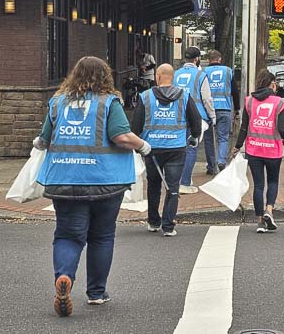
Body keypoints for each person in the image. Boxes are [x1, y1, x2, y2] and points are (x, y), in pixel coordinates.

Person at [33, 56, 152, 317]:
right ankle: (96, 293)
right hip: (105, 181)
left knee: (67, 235)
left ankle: (64, 277)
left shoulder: (56, 102)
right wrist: (143, 146)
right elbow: (121, 136)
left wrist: (41, 143)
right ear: (104, 76)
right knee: (101, 236)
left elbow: (42, 141)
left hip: (63, 179)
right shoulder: (108, 102)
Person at [131, 64, 202, 237]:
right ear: (173, 77)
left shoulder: (145, 97)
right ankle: (168, 225)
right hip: (176, 148)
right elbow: (196, 121)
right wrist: (193, 136)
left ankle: (153, 221)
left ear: (158, 76)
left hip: (152, 149)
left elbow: (136, 125)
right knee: (173, 187)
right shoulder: (184, 96)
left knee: (154, 185)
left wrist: (138, 144)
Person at [231, 70, 284, 233]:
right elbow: (282, 129)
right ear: (272, 84)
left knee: (258, 184)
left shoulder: (249, 101)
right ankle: (269, 211)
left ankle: (259, 222)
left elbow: (244, 128)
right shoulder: (279, 103)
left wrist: (237, 147)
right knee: (272, 182)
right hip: (273, 151)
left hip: (254, 149)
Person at [174, 46, 216, 193]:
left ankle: (177, 180)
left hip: (178, 116)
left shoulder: (176, 74)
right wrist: (212, 116)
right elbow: (207, 99)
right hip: (197, 117)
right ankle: (184, 182)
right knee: (192, 148)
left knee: (180, 148)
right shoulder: (200, 76)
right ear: (197, 59)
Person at [204, 50, 239, 172]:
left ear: (209, 60)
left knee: (208, 139)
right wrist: (237, 108)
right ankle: (221, 161)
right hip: (225, 107)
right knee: (223, 137)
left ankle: (211, 166)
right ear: (219, 59)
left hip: (207, 110)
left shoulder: (204, 72)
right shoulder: (228, 71)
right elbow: (235, 91)